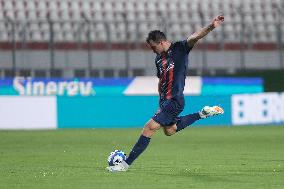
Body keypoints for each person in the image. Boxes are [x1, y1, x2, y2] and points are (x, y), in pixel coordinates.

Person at [107, 15, 225, 172]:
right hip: (165, 101)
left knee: (149, 128)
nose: (152, 50)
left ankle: (124, 164)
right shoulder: (158, 59)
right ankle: (202, 114)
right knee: (170, 130)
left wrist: (211, 26)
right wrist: (160, 104)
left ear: (161, 42)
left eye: (153, 47)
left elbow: (195, 37)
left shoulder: (180, 49)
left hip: (175, 99)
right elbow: (161, 81)